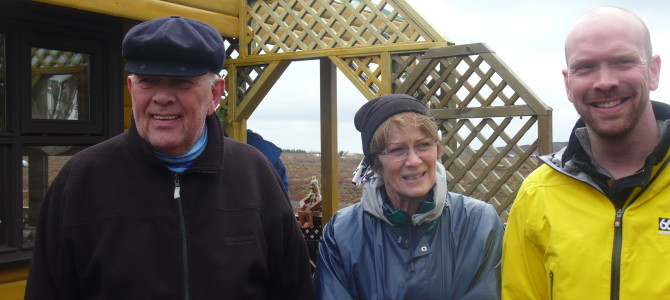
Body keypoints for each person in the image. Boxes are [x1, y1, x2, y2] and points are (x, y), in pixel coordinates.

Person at [24, 16, 315, 300]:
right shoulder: (80, 180)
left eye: (181, 82)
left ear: (215, 94)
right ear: (131, 88)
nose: (162, 97)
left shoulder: (255, 175)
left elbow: (293, 289)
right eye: (148, 81)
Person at [502, 7, 669, 299]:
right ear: (568, 83)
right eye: (586, 67)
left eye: (622, 61)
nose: (605, 82)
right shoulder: (537, 194)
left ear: (653, 71)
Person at [314, 94, 505, 299]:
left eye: (423, 145)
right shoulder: (342, 232)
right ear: (376, 163)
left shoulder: (479, 224)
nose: (413, 161)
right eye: (397, 150)